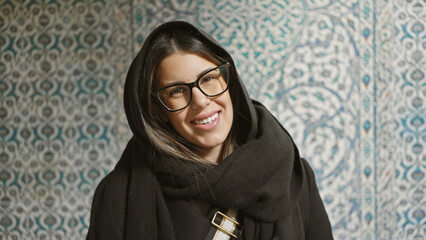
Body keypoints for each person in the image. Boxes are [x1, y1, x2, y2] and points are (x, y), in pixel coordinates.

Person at [87, 21, 333, 240]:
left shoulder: (294, 180)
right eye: (176, 90)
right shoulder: (119, 197)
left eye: (208, 78)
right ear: (158, 110)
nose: (201, 101)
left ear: (229, 81)